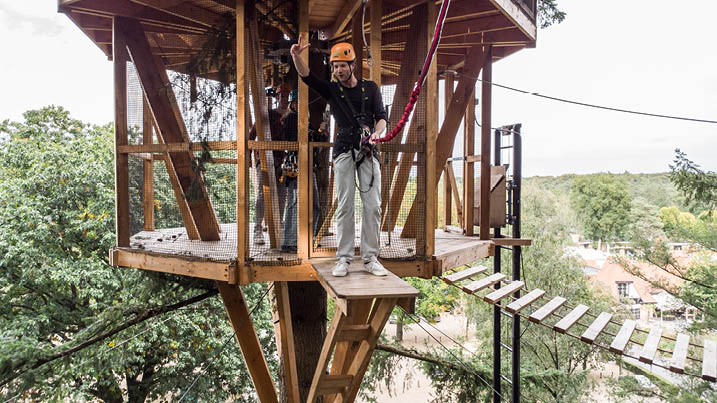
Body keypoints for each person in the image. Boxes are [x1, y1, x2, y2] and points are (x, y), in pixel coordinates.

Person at [290, 38, 388, 277]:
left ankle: (370, 258)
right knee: (345, 205)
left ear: (353, 65)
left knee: (373, 205)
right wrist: (296, 56)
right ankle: (343, 258)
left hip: (368, 149)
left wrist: (377, 133)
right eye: (335, 67)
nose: (339, 70)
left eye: (343, 65)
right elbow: (307, 77)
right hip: (344, 149)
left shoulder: (371, 88)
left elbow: (381, 117)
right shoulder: (333, 90)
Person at [280, 89, 323, 253]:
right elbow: (293, 138)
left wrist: (320, 132)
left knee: (314, 204)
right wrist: (313, 133)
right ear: (292, 104)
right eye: (296, 102)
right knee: (294, 202)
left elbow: (316, 142)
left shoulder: (307, 122)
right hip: (295, 167)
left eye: (302, 102)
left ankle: (309, 238)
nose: (299, 105)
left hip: (308, 165)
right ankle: (289, 241)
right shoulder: (291, 119)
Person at [250, 89, 287, 245]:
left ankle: (278, 227)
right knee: (262, 195)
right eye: (282, 95)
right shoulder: (268, 114)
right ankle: (257, 230)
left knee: (282, 195)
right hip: (265, 159)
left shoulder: (292, 118)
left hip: (283, 162)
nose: (284, 99)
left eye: (287, 96)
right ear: (277, 97)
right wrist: (249, 155)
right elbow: (252, 134)